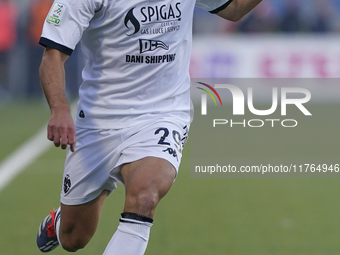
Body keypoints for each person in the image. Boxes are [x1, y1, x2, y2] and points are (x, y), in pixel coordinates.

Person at [36, 0, 262, 254]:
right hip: (100, 120)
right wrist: (59, 109)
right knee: (74, 237)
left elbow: (234, 10)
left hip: (164, 113)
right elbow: (52, 57)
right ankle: (59, 222)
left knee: (144, 198)